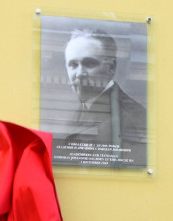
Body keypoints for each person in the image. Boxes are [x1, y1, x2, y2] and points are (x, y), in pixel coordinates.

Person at [52, 28, 147, 168]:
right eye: (73, 65)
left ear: (111, 67)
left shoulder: (132, 115)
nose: (79, 73)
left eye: (89, 63)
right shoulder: (79, 110)